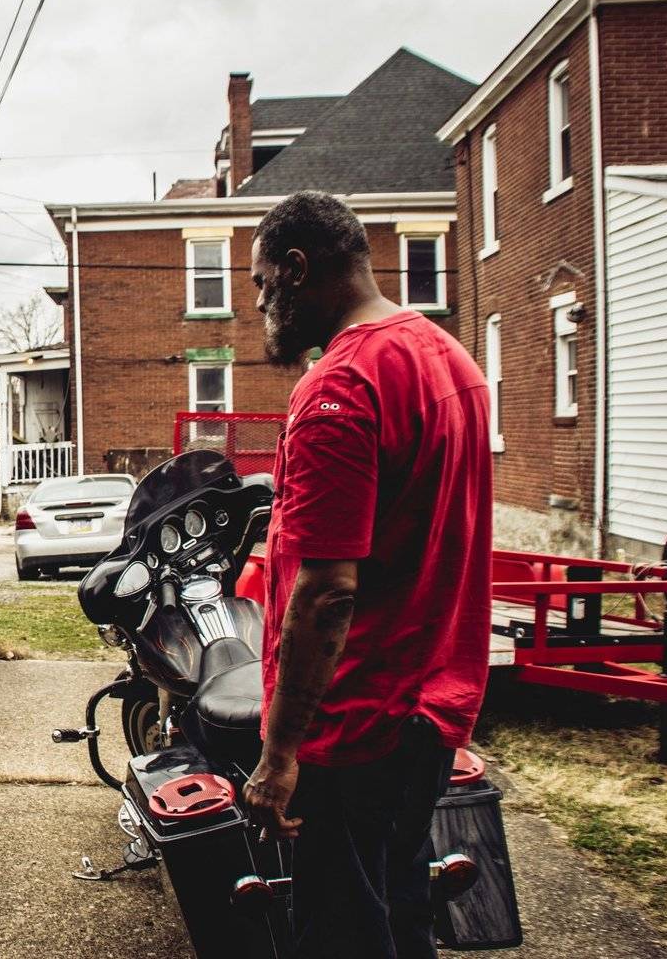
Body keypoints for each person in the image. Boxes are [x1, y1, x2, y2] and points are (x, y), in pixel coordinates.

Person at [240, 191, 493, 959]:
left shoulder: (340, 387)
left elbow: (326, 594)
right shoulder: (450, 359)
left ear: (297, 268)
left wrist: (279, 757)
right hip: (428, 712)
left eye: (262, 284)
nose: (258, 304)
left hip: (353, 725)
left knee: (342, 933)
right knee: (400, 912)